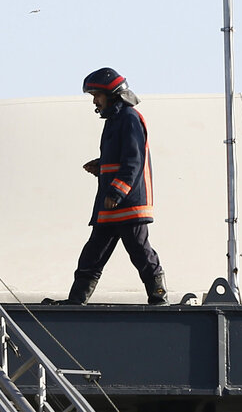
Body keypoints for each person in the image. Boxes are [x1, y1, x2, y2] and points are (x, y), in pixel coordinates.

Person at [48, 68, 168, 306]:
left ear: (111, 94)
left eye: (96, 95)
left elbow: (133, 160)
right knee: (93, 252)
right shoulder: (116, 120)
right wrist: (101, 165)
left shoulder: (130, 118)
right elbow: (120, 158)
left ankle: (159, 297)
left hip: (128, 203)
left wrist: (116, 191)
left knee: (140, 251)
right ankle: (76, 300)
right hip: (111, 204)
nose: (94, 101)